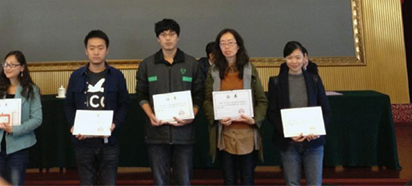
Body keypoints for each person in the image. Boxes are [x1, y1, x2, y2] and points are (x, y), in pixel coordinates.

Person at [135, 18, 205, 186]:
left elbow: (199, 94)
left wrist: (192, 115)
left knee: (184, 181)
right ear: (157, 38)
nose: (168, 38)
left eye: (172, 34)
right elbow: (141, 94)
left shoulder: (191, 64)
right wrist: (150, 115)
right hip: (156, 134)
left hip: (184, 134)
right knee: (160, 182)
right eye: (163, 34)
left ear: (178, 37)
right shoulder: (147, 64)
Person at [202, 29, 268, 186]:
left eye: (230, 43)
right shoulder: (214, 71)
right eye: (223, 44)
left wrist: (254, 119)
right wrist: (217, 117)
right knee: (229, 179)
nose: (227, 47)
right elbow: (207, 101)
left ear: (238, 46)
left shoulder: (250, 69)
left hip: (247, 134)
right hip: (224, 134)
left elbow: (262, 101)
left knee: (247, 179)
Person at [64, 30, 130, 185]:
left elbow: (124, 104)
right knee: (86, 182)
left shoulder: (117, 76)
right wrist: (74, 126)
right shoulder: (76, 76)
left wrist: (115, 124)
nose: (96, 52)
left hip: (109, 142)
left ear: (107, 50)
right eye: (92, 48)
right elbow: (69, 104)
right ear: (86, 51)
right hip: (83, 143)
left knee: (108, 182)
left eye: (100, 48)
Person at [267, 41, 331, 186]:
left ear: (304, 58)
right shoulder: (276, 82)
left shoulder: (314, 80)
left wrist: (318, 130)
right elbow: (272, 113)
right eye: (290, 58)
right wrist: (288, 132)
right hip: (289, 143)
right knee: (292, 183)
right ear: (285, 59)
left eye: (297, 57)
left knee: (315, 183)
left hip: (313, 143)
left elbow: (326, 110)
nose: (294, 61)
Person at [0, 51, 42, 186]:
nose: (7, 68)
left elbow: (37, 119)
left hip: (18, 147)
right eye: (5, 65)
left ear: (22, 68)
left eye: (12, 65)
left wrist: (14, 129)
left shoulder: (31, 90)